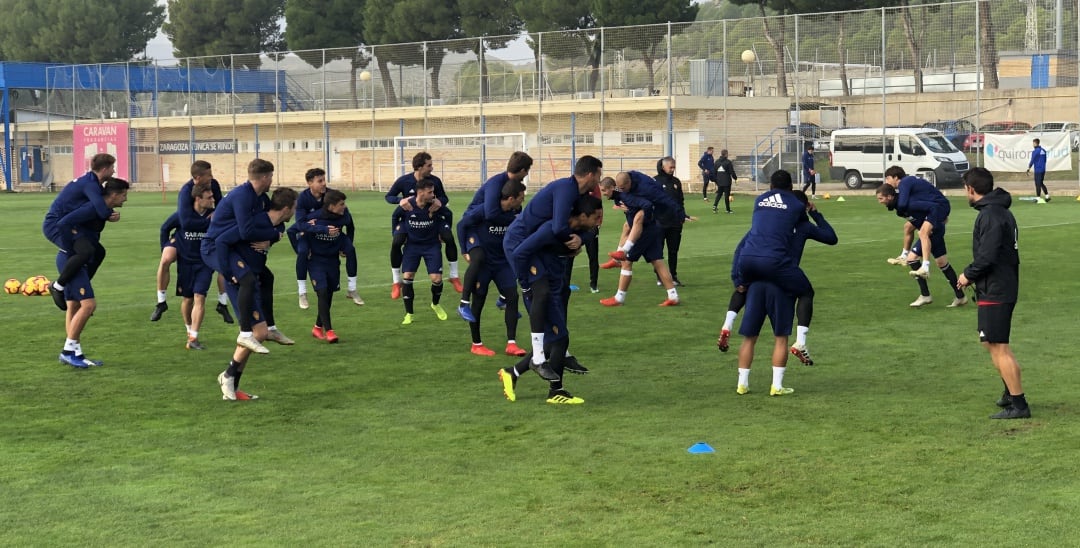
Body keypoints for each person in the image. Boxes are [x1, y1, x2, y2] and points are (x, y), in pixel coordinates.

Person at [499, 194, 603, 404]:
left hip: (552, 282)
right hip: (537, 287)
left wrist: (580, 241)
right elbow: (520, 254)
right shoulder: (550, 229)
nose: (599, 222)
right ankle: (554, 389)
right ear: (583, 215)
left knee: (559, 338)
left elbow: (591, 233)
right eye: (597, 217)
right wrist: (526, 285)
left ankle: (516, 374)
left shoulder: (576, 229)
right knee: (556, 338)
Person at [503, 155, 603, 372]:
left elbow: (587, 225)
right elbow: (558, 228)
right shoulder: (566, 189)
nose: (599, 181)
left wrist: (580, 240)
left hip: (541, 246)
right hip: (521, 243)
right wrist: (574, 243)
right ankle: (538, 357)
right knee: (542, 293)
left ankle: (557, 353)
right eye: (598, 175)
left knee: (561, 294)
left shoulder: (580, 194)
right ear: (590, 174)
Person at [717, 190, 837, 365]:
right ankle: (801, 342)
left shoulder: (767, 224)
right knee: (800, 302)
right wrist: (815, 213)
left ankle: (728, 324)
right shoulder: (804, 226)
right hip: (783, 278)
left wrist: (737, 278)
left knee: (749, 332)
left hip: (758, 275)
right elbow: (831, 238)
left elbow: (740, 249)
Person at [956, 167, 1030, 419]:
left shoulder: (990, 215)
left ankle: (1019, 405)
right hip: (1000, 285)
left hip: (996, 287)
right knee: (992, 343)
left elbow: (987, 256)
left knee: (999, 346)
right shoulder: (1000, 211)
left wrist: (968, 274)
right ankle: (1011, 392)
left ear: (971, 189)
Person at [202, 159, 295, 356]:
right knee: (247, 280)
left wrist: (274, 236)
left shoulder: (261, 197)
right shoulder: (242, 196)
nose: (272, 180)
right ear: (264, 177)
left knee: (267, 277)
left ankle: (270, 328)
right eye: (271, 176)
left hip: (232, 245)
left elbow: (275, 219)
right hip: (216, 246)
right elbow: (246, 232)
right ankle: (245, 332)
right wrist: (227, 273)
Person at [214, 187, 298, 401]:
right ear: (287, 208)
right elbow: (225, 240)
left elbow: (275, 235)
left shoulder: (278, 225)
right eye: (295, 207)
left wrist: (272, 236)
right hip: (240, 280)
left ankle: (231, 383)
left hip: (256, 279)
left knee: (258, 334)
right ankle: (228, 375)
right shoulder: (256, 223)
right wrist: (227, 272)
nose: (296, 212)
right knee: (254, 334)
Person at [55, 177, 129, 368]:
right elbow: (63, 223)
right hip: (72, 261)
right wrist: (70, 250)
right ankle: (67, 352)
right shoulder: (90, 208)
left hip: (79, 261)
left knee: (74, 307)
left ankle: (76, 353)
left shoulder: (102, 210)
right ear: (113, 195)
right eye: (124, 195)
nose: (126, 199)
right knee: (88, 305)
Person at [153, 160, 233, 324]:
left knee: (225, 262)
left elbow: (221, 207)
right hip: (184, 235)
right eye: (208, 175)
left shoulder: (214, 185)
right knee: (167, 258)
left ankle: (222, 303)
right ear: (197, 178)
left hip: (205, 237)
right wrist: (164, 246)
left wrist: (216, 218)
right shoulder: (185, 192)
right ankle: (161, 301)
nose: (212, 177)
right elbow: (186, 221)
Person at [456, 151, 532, 322]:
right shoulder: (496, 183)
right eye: (527, 170)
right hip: (474, 225)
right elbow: (490, 214)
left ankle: (504, 298)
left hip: (488, 224)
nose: (527, 174)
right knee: (479, 258)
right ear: (521, 170)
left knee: (512, 254)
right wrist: (463, 249)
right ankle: (463, 303)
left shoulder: (513, 188)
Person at [877, 168, 967, 308]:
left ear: (895, 177)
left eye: (887, 178)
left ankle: (925, 281)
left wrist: (938, 219)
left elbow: (931, 207)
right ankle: (960, 296)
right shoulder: (903, 205)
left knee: (916, 252)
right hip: (936, 225)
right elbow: (916, 219)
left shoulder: (905, 190)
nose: (879, 202)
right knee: (942, 263)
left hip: (935, 224)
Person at [457, 179, 527, 356]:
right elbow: (461, 225)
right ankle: (476, 344)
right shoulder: (487, 209)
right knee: (478, 300)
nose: (522, 201)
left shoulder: (517, 211)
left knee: (512, 296)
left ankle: (511, 343)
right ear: (511, 198)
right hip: (485, 262)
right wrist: (465, 251)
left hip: (502, 261)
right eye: (521, 198)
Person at [42, 153, 116, 311]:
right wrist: (110, 214)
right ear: (104, 169)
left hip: (69, 223)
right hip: (56, 225)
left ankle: (77, 288)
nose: (114, 171)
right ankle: (58, 286)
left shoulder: (91, 182)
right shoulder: (90, 184)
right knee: (86, 251)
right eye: (112, 168)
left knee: (98, 251)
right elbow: (101, 210)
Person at [385, 152, 461, 298]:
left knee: (449, 238)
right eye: (429, 165)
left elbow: (444, 197)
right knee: (397, 242)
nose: (432, 168)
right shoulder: (404, 181)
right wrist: (400, 200)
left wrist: (440, 202)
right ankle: (396, 281)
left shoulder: (435, 181)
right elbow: (389, 196)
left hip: (433, 217)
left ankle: (454, 276)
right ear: (419, 167)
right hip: (409, 219)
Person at [597, 176, 681, 307]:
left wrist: (640, 217)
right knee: (658, 262)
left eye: (604, 190)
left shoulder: (625, 197)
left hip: (644, 232)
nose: (603, 194)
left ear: (612, 188)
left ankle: (619, 298)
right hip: (653, 229)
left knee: (626, 262)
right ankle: (673, 296)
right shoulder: (621, 198)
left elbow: (646, 205)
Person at [289, 168, 363, 310]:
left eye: (324, 180)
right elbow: (299, 225)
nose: (324, 184)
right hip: (310, 234)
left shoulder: (331, 195)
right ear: (310, 183)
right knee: (303, 253)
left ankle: (352, 289)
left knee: (350, 250)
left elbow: (347, 219)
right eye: (320, 181)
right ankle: (302, 292)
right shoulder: (303, 198)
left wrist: (313, 219)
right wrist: (319, 226)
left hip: (334, 234)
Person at [396, 178, 451, 324]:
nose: (433, 195)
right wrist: (397, 233)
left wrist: (444, 233)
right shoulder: (408, 205)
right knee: (407, 276)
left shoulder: (435, 205)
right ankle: (409, 313)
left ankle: (435, 304)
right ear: (420, 193)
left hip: (431, 246)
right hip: (412, 246)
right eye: (430, 192)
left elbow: (449, 214)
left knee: (437, 279)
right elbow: (395, 216)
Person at [301, 189, 352, 343]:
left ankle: (317, 327)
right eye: (341, 204)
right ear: (331, 206)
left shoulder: (343, 217)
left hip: (333, 261)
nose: (344, 207)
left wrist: (346, 245)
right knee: (322, 292)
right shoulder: (314, 218)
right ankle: (329, 331)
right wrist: (302, 250)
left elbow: (351, 227)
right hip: (316, 261)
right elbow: (296, 229)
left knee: (328, 294)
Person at [882, 166, 949, 281]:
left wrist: (898, 210)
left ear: (896, 177)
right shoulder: (908, 182)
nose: (886, 182)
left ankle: (925, 267)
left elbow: (902, 204)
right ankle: (903, 255)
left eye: (887, 178)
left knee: (923, 233)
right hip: (934, 207)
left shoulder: (904, 183)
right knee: (908, 227)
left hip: (938, 207)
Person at [733, 281, 797, 397]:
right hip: (779, 286)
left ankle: (742, 384)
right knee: (781, 337)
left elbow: (742, 263)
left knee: (749, 338)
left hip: (755, 287)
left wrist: (740, 281)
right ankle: (776, 386)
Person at [175, 180, 217, 350]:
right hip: (185, 263)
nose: (213, 200)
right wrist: (167, 247)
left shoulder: (215, 214)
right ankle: (189, 330)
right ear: (198, 199)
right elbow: (164, 228)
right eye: (209, 197)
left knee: (200, 297)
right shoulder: (184, 216)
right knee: (187, 299)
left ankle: (194, 337)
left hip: (205, 263)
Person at [654, 156, 691, 286]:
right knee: (658, 251)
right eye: (670, 167)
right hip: (660, 222)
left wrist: (683, 215)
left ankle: (673, 276)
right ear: (663, 167)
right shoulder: (655, 181)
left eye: (674, 167)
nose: (672, 169)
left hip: (675, 223)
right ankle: (660, 276)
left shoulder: (676, 182)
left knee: (673, 251)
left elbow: (680, 201)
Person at [712, 149, 737, 214]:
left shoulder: (717, 162)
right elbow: (731, 171)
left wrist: (715, 180)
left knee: (719, 194)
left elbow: (714, 172)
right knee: (726, 195)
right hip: (727, 181)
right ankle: (728, 209)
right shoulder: (728, 162)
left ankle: (714, 206)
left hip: (719, 181)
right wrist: (735, 178)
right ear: (726, 154)